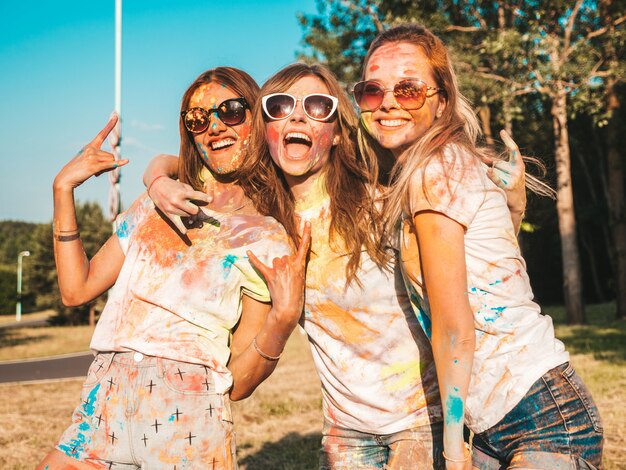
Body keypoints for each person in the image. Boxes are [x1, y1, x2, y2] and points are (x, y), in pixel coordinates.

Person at [143, 61, 527, 469]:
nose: (296, 115)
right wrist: (156, 178)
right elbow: (184, 163)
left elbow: (469, 276)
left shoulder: (385, 203)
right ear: (265, 133)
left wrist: (514, 208)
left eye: (316, 106)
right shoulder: (268, 227)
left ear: (339, 132)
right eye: (279, 106)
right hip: (345, 432)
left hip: (419, 421)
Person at [354, 24, 604, 469]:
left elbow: (454, 325)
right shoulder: (437, 167)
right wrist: (516, 208)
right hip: (495, 417)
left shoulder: (434, 172)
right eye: (373, 90)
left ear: (442, 99)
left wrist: (452, 448)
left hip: (540, 413)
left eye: (408, 89)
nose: (388, 102)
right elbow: (494, 276)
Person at [37, 66, 311, 470]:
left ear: (257, 119)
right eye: (198, 118)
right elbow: (76, 291)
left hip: (187, 418)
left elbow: (239, 383)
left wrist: (283, 320)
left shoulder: (265, 236)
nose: (214, 126)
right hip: (104, 396)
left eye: (232, 110)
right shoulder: (154, 203)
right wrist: (63, 189)